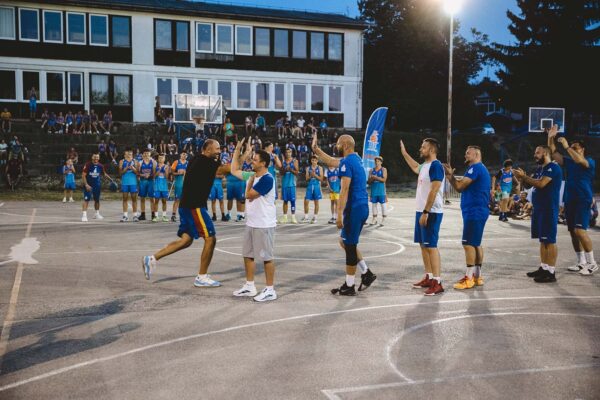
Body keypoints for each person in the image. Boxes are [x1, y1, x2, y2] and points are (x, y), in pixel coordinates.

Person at [142, 139, 231, 287]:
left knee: (186, 240)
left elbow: (225, 168)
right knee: (210, 238)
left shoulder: (197, 158)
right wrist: (243, 156)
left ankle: (151, 258)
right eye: (217, 149)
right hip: (194, 206)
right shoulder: (205, 161)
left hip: (187, 205)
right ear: (208, 150)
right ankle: (201, 277)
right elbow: (227, 169)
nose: (219, 151)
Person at [311, 132, 377, 295]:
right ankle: (366, 273)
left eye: (339, 144)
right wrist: (317, 150)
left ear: (346, 145)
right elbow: (333, 161)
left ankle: (349, 285)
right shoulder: (356, 159)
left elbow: (344, 189)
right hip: (362, 207)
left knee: (349, 245)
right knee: (345, 242)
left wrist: (339, 214)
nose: (336, 146)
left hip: (354, 208)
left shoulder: (348, 161)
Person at [230, 139, 278, 301]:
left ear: (263, 163)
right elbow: (233, 170)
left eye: (255, 159)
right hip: (252, 222)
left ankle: (270, 289)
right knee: (248, 255)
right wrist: (237, 150)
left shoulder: (267, 179)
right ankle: (250, 286)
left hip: (264, 224)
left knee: (266, 257)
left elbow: (248, 195)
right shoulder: (253, 175)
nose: (252, 161)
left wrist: (250, 182)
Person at [548, 126, 597, 275]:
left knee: (580, 231)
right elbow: (554, 153)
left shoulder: (589, 161)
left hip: (583, 198)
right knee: (572, 232)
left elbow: (580, 160)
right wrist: (550, 137)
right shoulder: (569, 162)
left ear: (582, 149)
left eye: (576, 147)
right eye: (572, 147)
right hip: (570, 199)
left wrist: (567, 146)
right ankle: (581, 262)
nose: (573, 149)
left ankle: (592, 263)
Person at [401, 139, 446, 296]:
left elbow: (434, 190)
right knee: (423, 245)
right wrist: (404, 153)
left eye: (424, 147)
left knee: (431, 246)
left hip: (431, 212)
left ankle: (438, 282)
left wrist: (426, 212)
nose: (421, 149)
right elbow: (414, 166)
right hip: (421, 210)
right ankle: (429, 276)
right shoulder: (425, 166)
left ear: (432, 150)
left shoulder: (436, 166)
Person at [443, 146, 491, 290]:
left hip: (474, 212)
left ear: (476, 154)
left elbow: (459, 187)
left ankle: (469, 278)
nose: (465, 155)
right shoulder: (480, 168)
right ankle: (477, 276)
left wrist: (450, 176)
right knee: (476, 243)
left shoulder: (474, 168)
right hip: (479, 210)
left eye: (468, 153)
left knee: (468, 243)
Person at [514, 146, 563, 283]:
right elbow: (530, 185)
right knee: (543, 240)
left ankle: (551, 272)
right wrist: (522, 178)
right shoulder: (540, 169)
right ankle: (544, 267)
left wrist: (525, 177)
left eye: (537, 152)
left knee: (550, 241)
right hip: (539, 209)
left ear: (546, 153)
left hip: (548, 208)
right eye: (534, 152)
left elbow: (541, 184)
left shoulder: (553, 167)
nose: (535, 155)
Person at [81, 153, 111, 221]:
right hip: (88, 185)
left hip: (97, 186)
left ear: (99, 158)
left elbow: (104, 174)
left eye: (97, 157)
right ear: (92, 157)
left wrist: (111, 180)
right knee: (86, 199)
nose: (96, 158)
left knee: (97, 200)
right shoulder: (88, 165)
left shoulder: (100, 166)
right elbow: (83, 175)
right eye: (94, 157)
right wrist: (86, 185)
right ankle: (84, 215)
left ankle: (97, 214)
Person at [119, 149, 139, 222]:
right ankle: (125, 216)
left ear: (132, 155)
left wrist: (133, 168)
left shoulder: (135, 161)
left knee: (134, 199)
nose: (128, 156)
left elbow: (137, 172)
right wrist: (126, 168)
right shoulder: (122, 161)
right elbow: (120, 173)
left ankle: (135, 216)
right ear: (124, 155)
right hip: (125, 183)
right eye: (127, 154)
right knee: (125, 199)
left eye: (130, 154)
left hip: (133, 183)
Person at [280, 148, 299, 224]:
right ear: (285, 153)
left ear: (291, 153)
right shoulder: (283, 161)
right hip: (285, 184)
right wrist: (285, 169)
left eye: (290, 152)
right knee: (285, 201)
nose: (288, 153)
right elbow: (281, 173)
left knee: (292, 201)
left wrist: (290, 169)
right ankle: (285, 217)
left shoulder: (295, 161)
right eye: (287, 152)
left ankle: (293, 217)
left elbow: (297, 172)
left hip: (292, 184)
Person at [302, 155, 323, 223]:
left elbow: (321, 179)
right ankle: (306, 217)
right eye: (312, 160)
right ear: (311, 161)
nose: (314, 162)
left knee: (316, 202)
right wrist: (311, 175)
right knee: (306, 201)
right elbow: (306, 179)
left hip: (316, 185)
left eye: (315, 160)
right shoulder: (308, 168)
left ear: (317, 161)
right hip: (310, 185)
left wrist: (315, 175)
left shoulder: (320, 168)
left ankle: (315, 217)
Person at [368, 156, 388, 225]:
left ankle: (384, 219)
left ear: (381, 162)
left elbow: (384, 180)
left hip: (381, 191)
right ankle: (374, 219)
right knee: (374, 205)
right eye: (376, 161)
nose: (377, 162)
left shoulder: (383, 169)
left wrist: (375, 177)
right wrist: (372, 179)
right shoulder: (371, 170)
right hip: (374, 191)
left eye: (378, 161)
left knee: (383, 205)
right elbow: (369, 182)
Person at [138, 149, 156, 221]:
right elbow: (137, 173)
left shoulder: (154, 162)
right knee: (142, 198)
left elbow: (155, 173)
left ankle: (153, 214)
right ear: (142, 154)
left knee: (152, 198)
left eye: (147, 153)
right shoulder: (140, 162)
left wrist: (150, 175)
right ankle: (143, 214)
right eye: (144, 153)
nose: (146, 155)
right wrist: (143, 175)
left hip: (151, 181)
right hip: (143, 181)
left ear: (150, 154)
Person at [171, 151, 188, 222]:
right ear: (180, 155)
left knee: (185, 200)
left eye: (185, 155)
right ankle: (173, 215)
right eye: (183, 154)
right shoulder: (176, 162)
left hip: (186, 184)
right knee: (177, 199)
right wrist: (178, 173)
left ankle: (183, 215)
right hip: (178, 183)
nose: (184, 155)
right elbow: (172, 172)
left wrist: (186, 173)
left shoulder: (188, 163)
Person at [153, 154, 171, 222]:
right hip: (157, 186)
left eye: (162, 158)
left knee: (164, 201)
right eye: (159, 158)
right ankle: (156, 216)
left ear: (164, 159)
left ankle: (164, 216)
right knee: (156, 201)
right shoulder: (155, 166)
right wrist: (158, 171)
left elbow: (166, 177)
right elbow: (154, 176)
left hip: (164, 187)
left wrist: (166, 170)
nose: (160, 159)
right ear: (158, 159)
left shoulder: (166, 166)